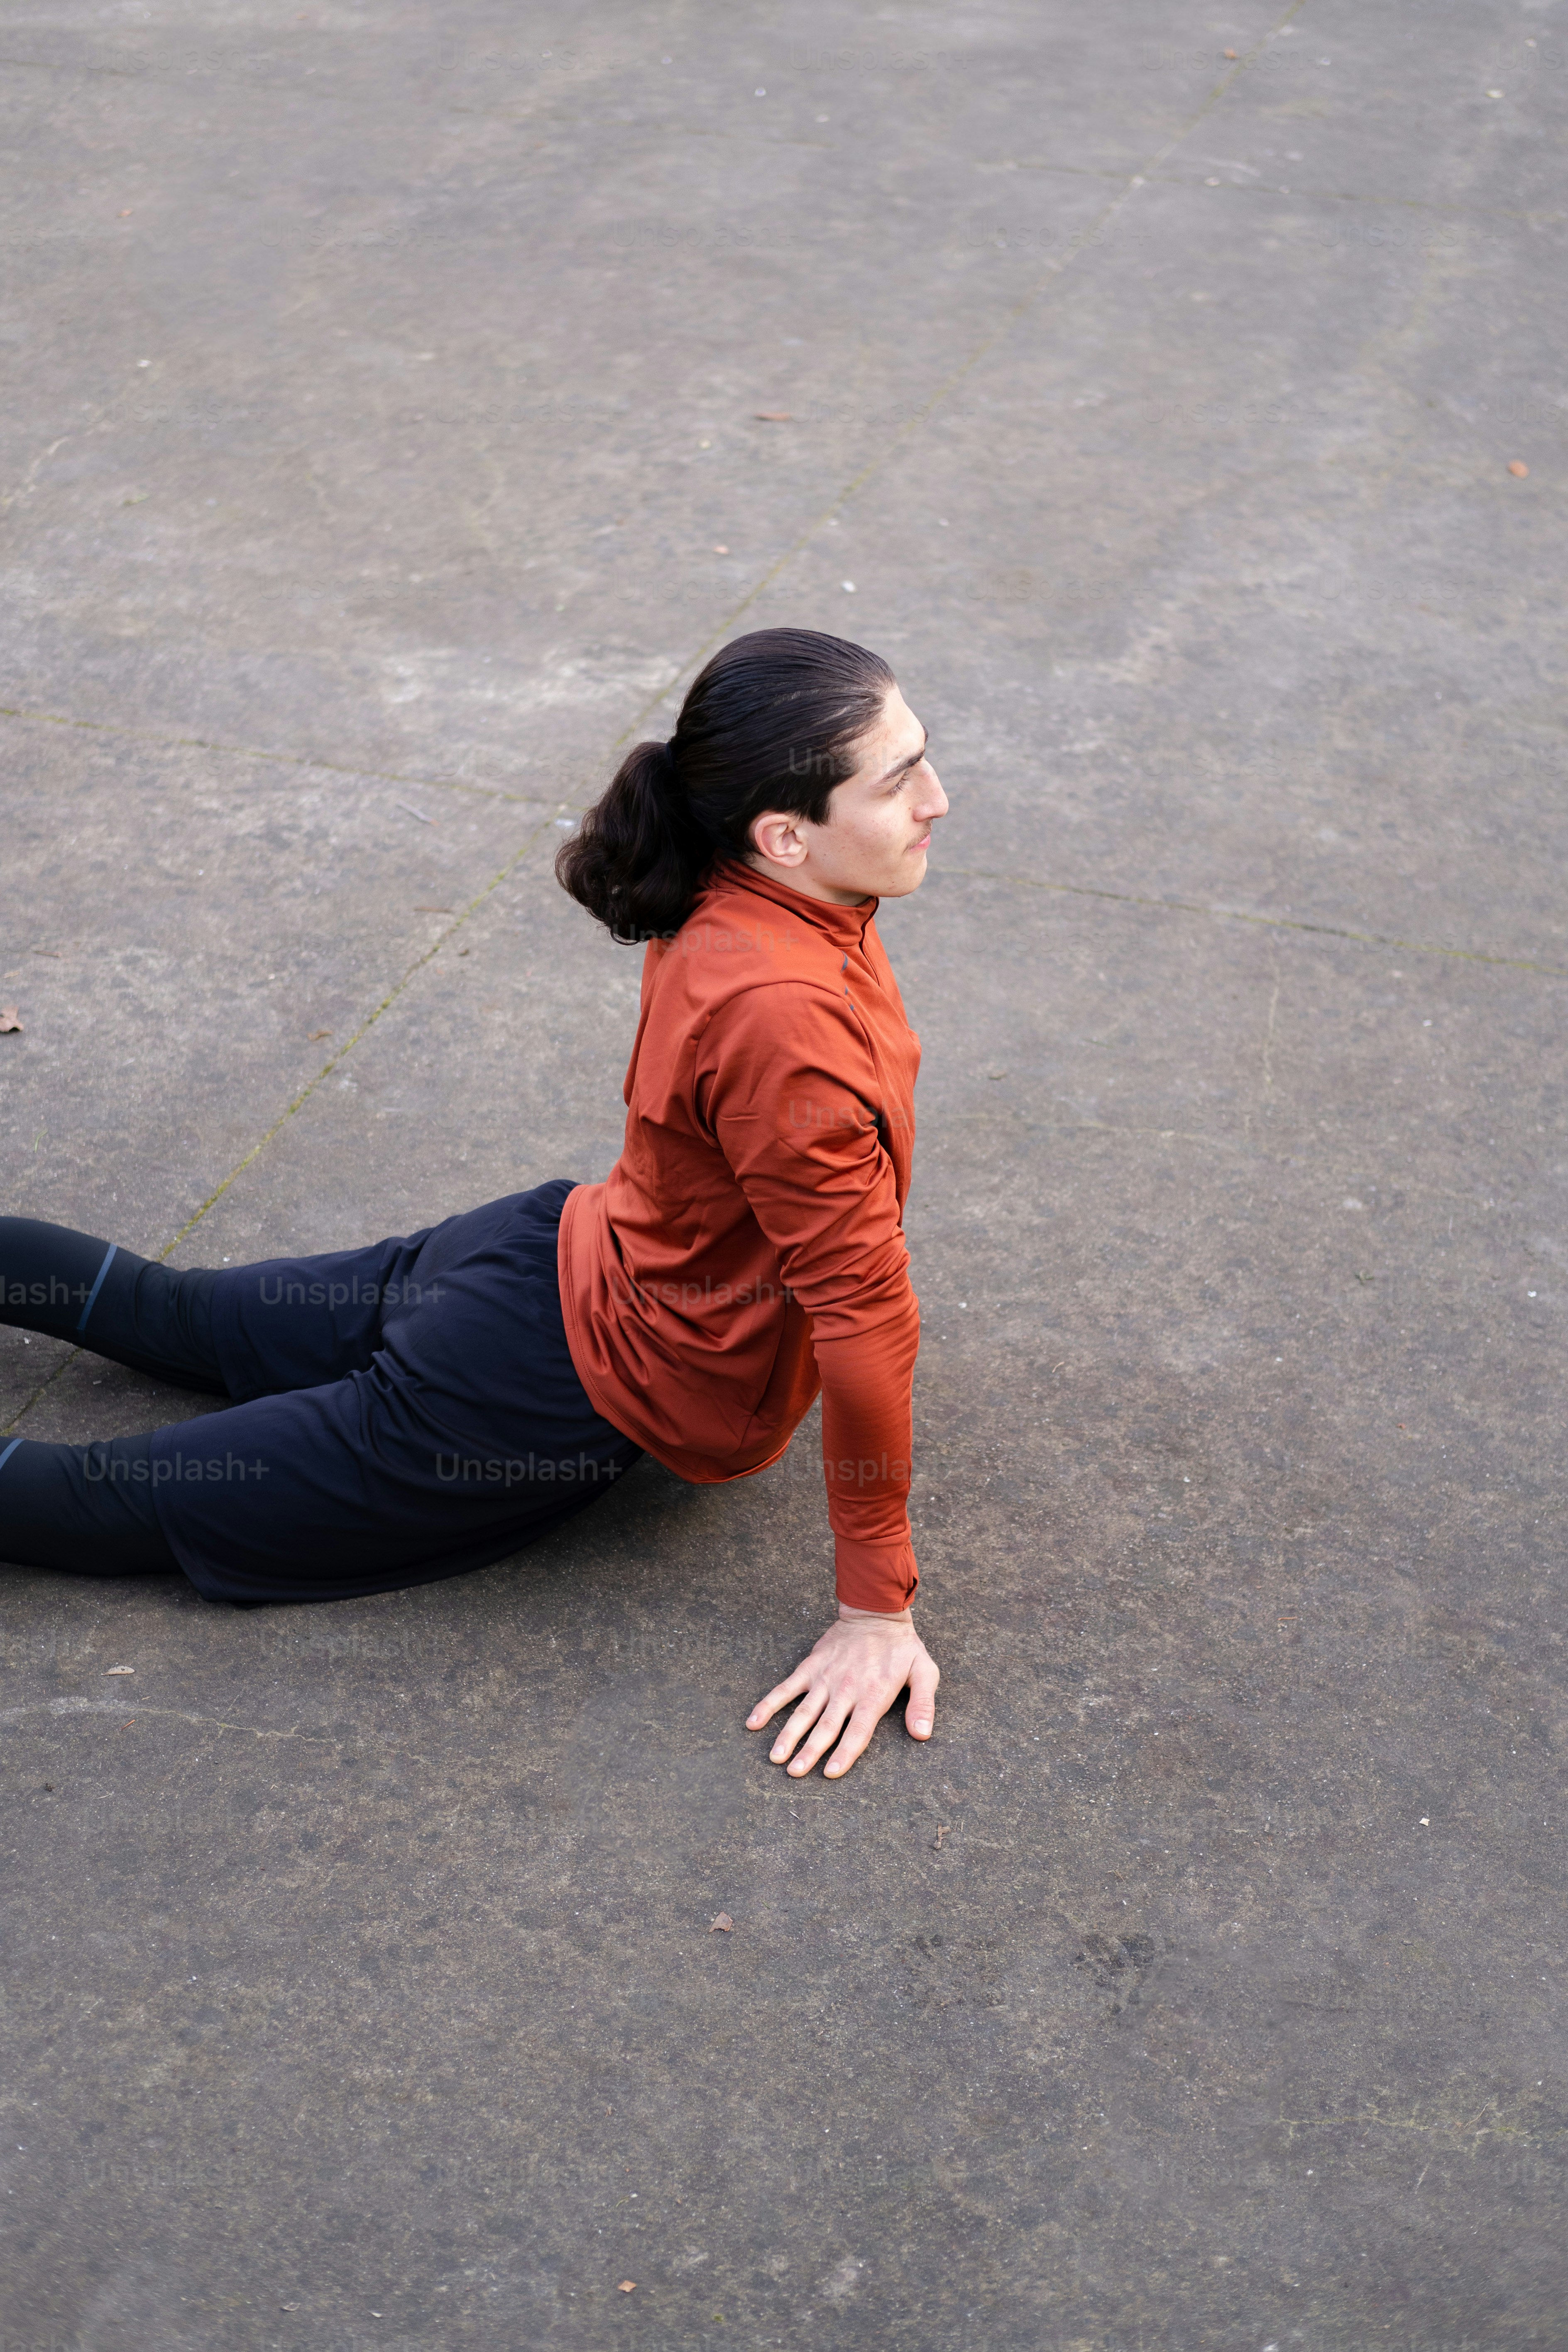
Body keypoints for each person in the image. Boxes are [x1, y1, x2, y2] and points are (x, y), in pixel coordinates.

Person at [0, 628, 949, 1781]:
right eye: (897, 781)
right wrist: (873, 1607)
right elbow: (863, 1326)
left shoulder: (753, 889)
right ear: (783, 833)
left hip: (527, 1253)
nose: (935, 800)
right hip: (520, 1397)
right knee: (108, 1496)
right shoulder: (792, 1021)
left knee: (173, 1312)